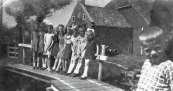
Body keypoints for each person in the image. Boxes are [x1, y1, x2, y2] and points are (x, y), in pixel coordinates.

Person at [136, 26, 173, 91]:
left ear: (164, 45)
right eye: (147, 50)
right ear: (142, 49)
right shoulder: (146, 63)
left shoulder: (168, 66)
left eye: (157, 48)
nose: (153, 53)